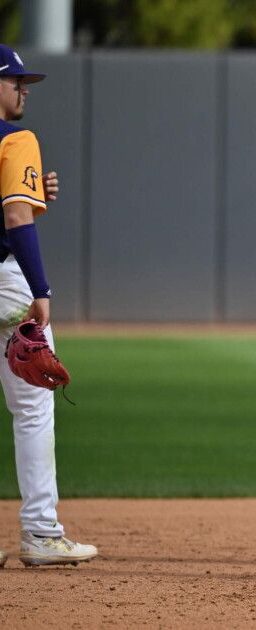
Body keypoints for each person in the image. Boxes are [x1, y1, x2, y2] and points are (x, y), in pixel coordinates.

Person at [0, 44, 97, 568]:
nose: (24, 89)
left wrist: (34, 193)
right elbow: (16, 218)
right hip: (5, 284)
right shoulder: (16, 137)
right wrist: (41, 289)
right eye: (14, 81)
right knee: (33, 408)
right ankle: (40, 531)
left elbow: (15, 202)